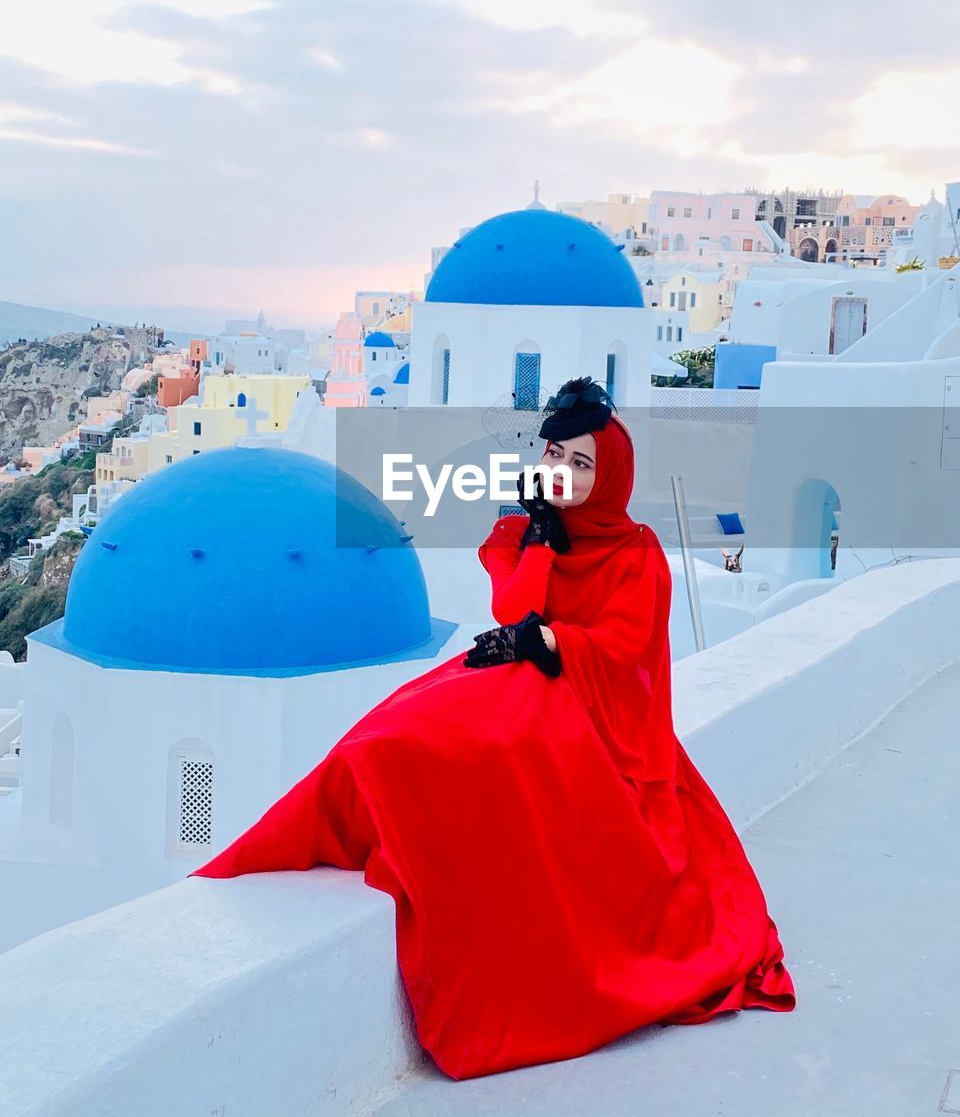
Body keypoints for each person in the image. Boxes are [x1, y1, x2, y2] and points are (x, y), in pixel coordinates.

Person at [189, 376, 796, 1080]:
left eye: (581, 464)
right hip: (527, 685)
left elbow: (626, 647)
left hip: (596, 717)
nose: (563, 474)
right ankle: (310, 835)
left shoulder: (636, 552)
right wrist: (540, 543)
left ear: (611, 476)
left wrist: (551, 645)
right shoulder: (520, 532)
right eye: (556, 457)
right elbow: (516, 607)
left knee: (470, 753)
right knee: (389, 738)